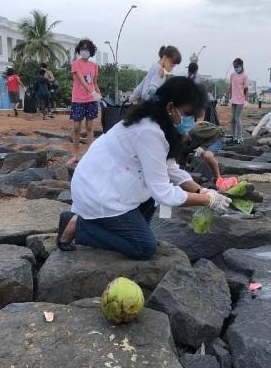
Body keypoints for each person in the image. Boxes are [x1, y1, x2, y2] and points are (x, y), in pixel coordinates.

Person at [56, 76, 232, 259]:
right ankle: (79, 226)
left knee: (148, 200)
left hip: (112, 181)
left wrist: (201, 190)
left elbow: (171, 169)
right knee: (145, 248)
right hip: (98, 190)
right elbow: (163, 193)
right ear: (170, 107)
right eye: (187, 114)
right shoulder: (149, 131)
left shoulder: (158, 123)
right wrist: (207, 200)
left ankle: (125, 232)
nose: (189, 121)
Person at [69, 39, 101, 165]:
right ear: (79, 50)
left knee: (89, 126)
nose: (85, 51)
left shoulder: (94, 66)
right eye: (83, 48)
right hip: (78, 99)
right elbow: (81, 79)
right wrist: (91, 91)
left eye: (87, 49)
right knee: (76, 128)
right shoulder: (76, 64)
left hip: (91, 100)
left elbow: (94, 83)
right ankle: (75, 155)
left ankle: (89, 154)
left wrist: (99, 94)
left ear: (91, 51)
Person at [227, 58, 249, 143]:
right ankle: (234, 136)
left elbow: (246, 89)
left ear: (241, 65)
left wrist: (246, 100)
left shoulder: (245, 76)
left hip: (241, 100)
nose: (235, 68)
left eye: (236, 66)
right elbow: (231, 86)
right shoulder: (232, 75)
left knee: (237, 118)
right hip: (233, 99)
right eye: (234, 66)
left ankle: (240, 137)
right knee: (232, 119)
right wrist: (227, 96)